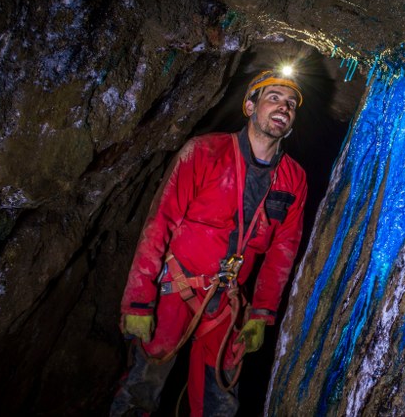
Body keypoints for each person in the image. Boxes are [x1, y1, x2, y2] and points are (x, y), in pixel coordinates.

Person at [110, 68, 307, 417]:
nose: (283, 107)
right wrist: (138, 302)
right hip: (176, 288)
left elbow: (283, 251)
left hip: (227, 302)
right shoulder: (203, 152)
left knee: (219, 402)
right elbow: (160, 223)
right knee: (142, 387)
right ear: (250, 106)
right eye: (273, 98)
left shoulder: (293, 178)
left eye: (290, 103)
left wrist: (261, 313)